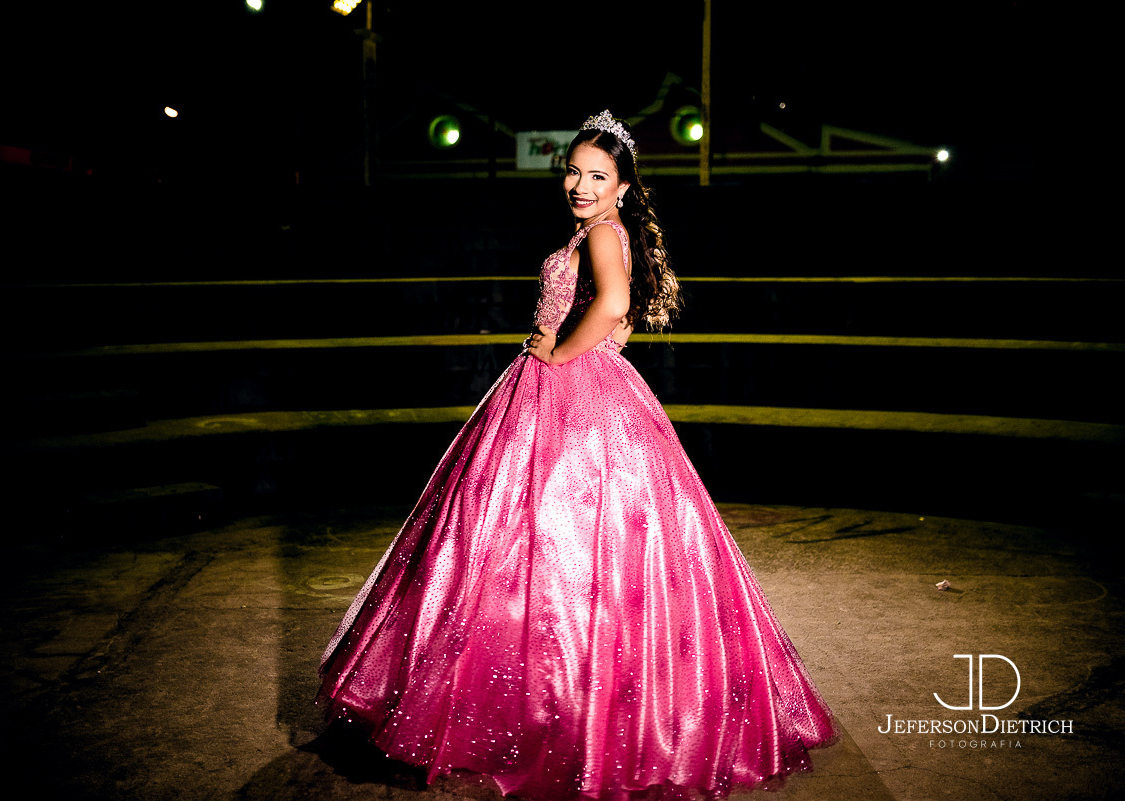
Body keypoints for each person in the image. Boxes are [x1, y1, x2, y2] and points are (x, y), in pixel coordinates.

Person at [317, 110, 837, 800]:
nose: (581, 184)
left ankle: (573, 711)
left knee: (554, 538)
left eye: (598, 176)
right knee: (526, 539)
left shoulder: (601, 234)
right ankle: (548, 699)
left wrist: (559, 351)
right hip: (568, 383)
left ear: (622, 187)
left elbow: (615, 302)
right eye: (574, 170)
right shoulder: (593, 232)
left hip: (577, 389)